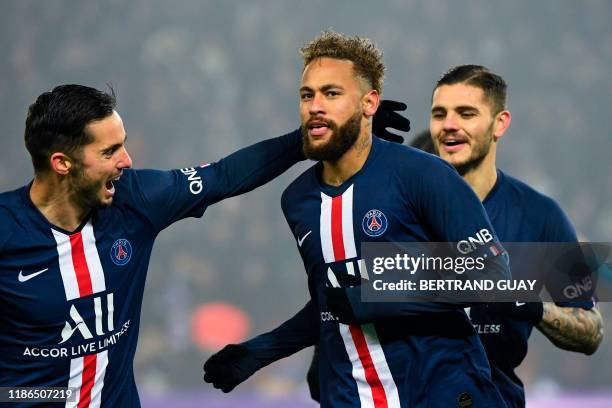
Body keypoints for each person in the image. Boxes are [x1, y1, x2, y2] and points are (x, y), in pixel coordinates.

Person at [0, 83, 403, 407]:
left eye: (122, 144)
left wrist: (327, 134)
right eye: (109, 151)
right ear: (61, 163)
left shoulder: (136, 198)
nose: (126, 160)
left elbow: (225, 175)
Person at [203, 31, 512, 407]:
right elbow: (333, 299)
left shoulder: (423, 175)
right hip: (349, 395)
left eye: (331, 94)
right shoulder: (298, 200)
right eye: (307, 95)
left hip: (441, 390)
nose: (315, 106)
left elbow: (494, 273)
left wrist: (383, 292)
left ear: (369, 103)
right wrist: (261, 351)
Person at [428, 65, 604, 407]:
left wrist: (531, 307)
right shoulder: (398, 208)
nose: (449, 124)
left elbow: (593, 330)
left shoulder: (542, 216)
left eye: (466, 113)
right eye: (439, 114)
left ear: (500, 124)